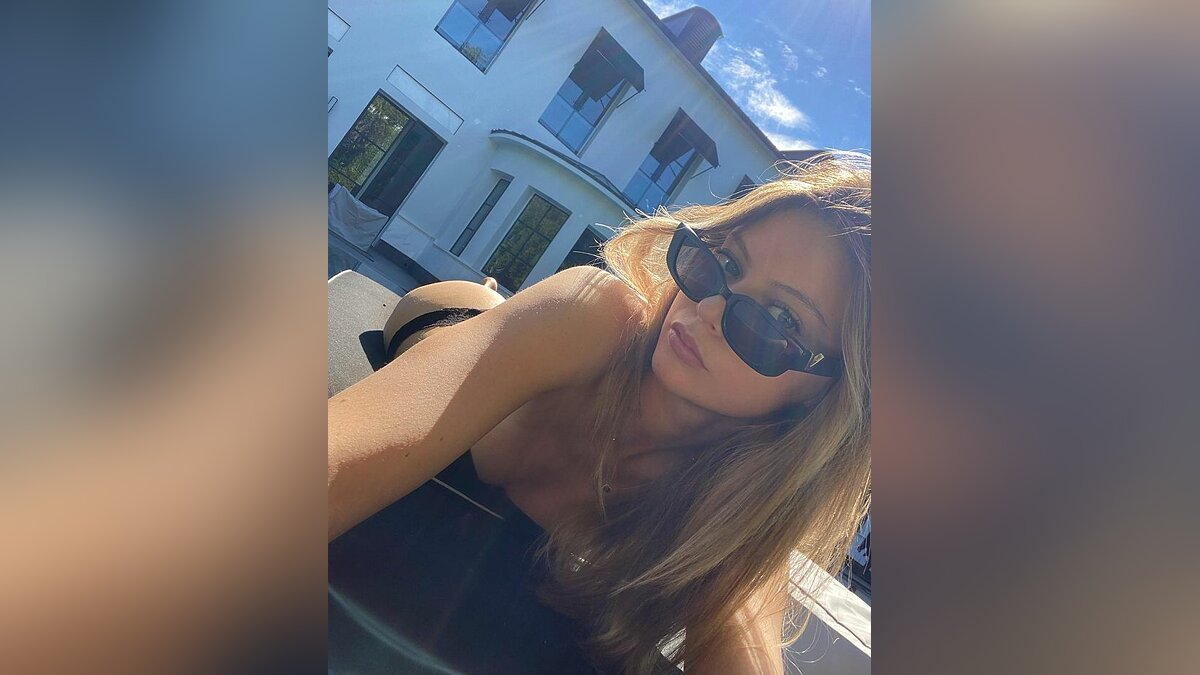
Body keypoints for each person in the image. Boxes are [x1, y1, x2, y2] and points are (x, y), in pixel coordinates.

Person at [328, 151, 871, 674]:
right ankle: (493, 300)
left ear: (825, 393)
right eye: (725, 263)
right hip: (441, 317)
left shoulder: (738, 516)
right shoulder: (592, 314)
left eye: (779, 319)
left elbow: (745, 635)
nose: (707, 308)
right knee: (475, 312)